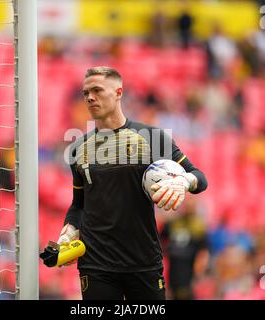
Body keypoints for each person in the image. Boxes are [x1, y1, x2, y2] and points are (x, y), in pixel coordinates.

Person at [56, 66, 208, 300]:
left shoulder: (152, 138)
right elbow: (78, 206)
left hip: (143, 262)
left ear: (118, 92)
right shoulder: (78, 149)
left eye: (97, 90)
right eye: (85, 92)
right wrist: (68, 233)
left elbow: (200, 177)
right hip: (96, 265)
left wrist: (185, 181)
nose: (90, 97)